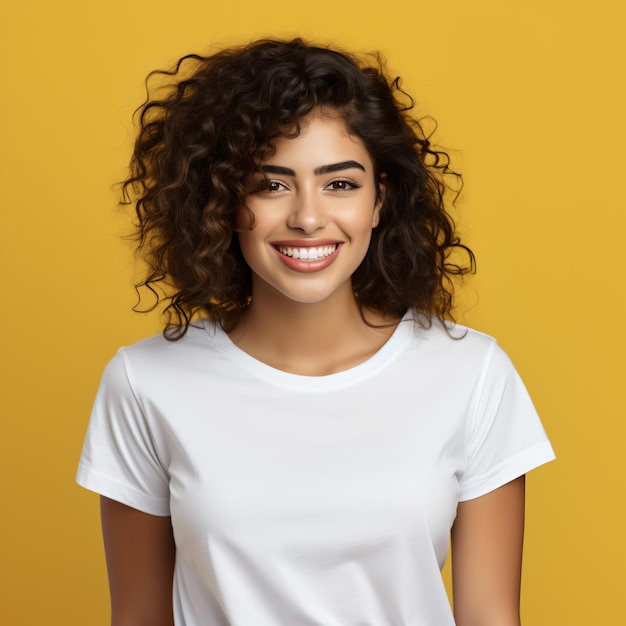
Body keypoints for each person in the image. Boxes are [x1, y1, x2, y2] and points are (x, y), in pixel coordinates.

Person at [77, 38, 555, 626]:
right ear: (223, 203)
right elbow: (137, 616)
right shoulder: (145, 382)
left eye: (340, 184)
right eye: (272, 185)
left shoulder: (472, 375)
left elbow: (489, 615)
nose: (307, 216)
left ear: (381, 201)